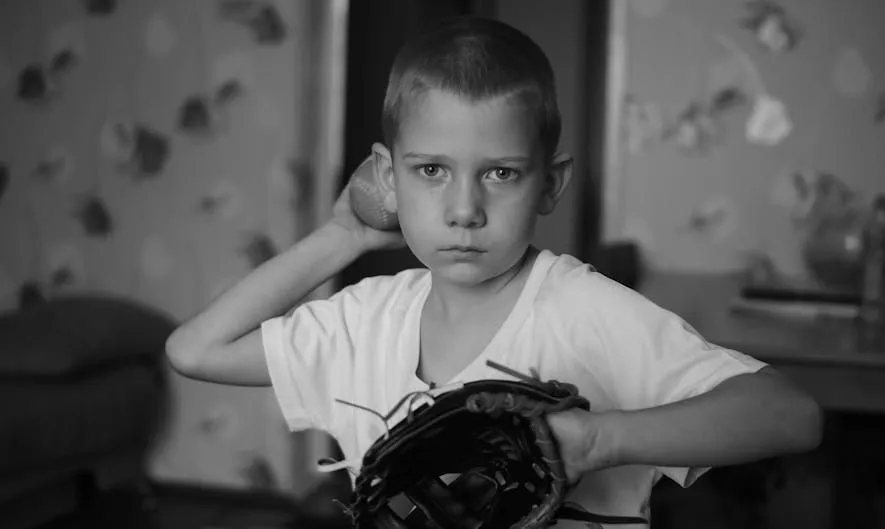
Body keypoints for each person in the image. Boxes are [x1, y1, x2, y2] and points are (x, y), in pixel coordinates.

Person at [166, 16, 822, 525]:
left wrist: (598, 439)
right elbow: (195, 349)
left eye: (500, 173)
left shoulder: (583, 311)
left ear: (549, 184)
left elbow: (791, 414)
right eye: (431, 170)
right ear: (388, 177)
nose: (464, 209)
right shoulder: (365, 320)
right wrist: (341, 236)